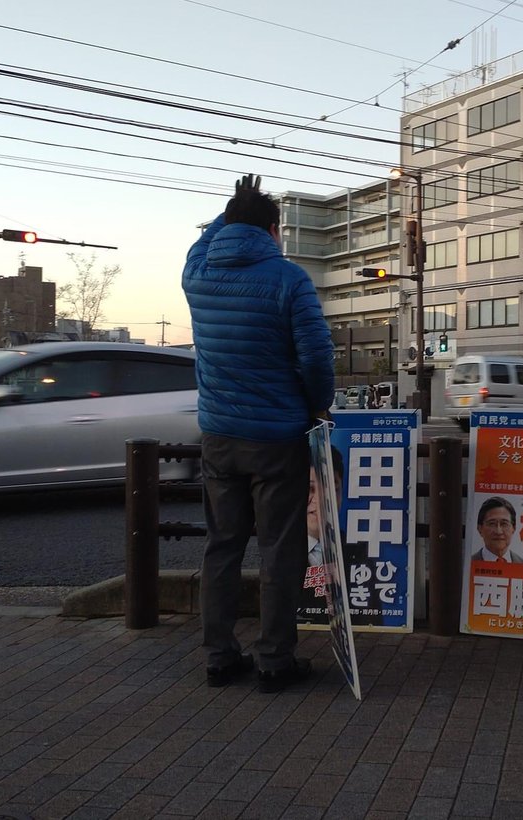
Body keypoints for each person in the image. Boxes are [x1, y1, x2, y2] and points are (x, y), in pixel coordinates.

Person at [183, 174, 334, 694]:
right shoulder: (289, 279)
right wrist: (316, 406)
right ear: (275, 230)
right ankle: (274, 658)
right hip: (277, 438)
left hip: (218, 435)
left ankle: (219, 656)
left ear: (227, 224)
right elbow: (316, 356)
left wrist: (232, 210)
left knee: (222, 545)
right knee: (279, 548)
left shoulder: (198, 272)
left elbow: (201, 241)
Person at [470, 496, 523, 562]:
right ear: (480, 529)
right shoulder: (466, 564)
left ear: (514, 528)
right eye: (492, 524)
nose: (498, 531)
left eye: (504, 524)